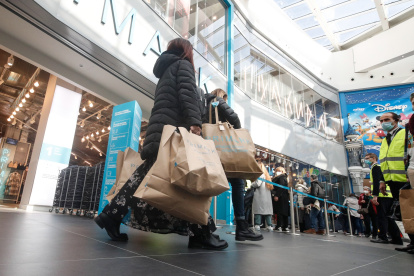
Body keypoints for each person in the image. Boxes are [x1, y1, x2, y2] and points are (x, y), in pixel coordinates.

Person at [94, 38, 227, 250]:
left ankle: (111, 216)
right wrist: (195, 123)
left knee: (140, 179)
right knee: (190, 179)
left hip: (161, 131)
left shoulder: (166, 69)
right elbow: (187, 95)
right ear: (187, 51)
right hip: (172, 134)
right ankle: (201, 233)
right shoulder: (182, 65)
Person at [201, 88, 263, 242]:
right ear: (222, 96)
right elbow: (234, 119)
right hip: (224, 152)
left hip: (209, 151)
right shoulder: (218, 101)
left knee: (206, 186)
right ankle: (242, 227)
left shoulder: (203, 104)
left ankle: (203, 225)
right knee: (238, 183)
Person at [377, 112, 409, 247]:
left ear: (396, 120)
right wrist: (383, 181)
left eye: (387, 119)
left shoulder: (405, 134)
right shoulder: (385, 139)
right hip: (391, 180)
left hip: (405, 178)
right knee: (402, 212)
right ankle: (412, 242)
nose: (384, 122)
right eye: (382, 120)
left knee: (409, 210)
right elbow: (384, 162)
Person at [365, 152, 403, 245]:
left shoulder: (375, 167)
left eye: (368, 158)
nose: (366, 160)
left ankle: (383, 237)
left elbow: (377, 182)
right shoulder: (379, 167)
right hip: (387, 195)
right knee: (389, 218)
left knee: (382, 217)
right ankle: (396, 238)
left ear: (373, 158)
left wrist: (375, 196)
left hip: (382, 195)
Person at [251, 161, 274, 232]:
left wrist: (251, 184)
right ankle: (269, 226)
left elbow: (257, 184)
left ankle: (257, 225)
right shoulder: (267, 176)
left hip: (260, 195)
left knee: (258, 210)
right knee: (267, 211)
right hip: (266, 197)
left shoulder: (260, 174)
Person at [272, 167, 290, 232]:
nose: (277, 172)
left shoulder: (281, 177)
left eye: (278, 170)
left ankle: (279, 225)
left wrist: (277, 195)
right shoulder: (284, 177)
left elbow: (281, 187)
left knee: (280, 211)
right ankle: (285, 226)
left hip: (281, 197)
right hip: (284, 196)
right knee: (284, 211)